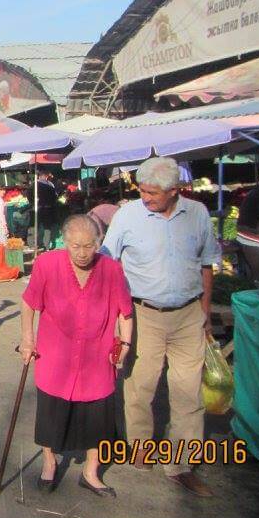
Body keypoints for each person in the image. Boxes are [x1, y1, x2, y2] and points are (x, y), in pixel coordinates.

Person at [102, 156, 219, 497]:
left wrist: (206, 312)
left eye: (152, 192)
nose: (145, 197)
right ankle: (140, 447)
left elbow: (207, 264)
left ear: (174, 191)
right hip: (143, 313)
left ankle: (182, 464)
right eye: (142, 190)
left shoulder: (197, 214)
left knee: (188, 390)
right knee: (141, 384)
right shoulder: (128, 215)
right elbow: (108, 262)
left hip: (189, 313)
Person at [21, 215, 133, 496]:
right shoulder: (47, 264)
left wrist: (125, 344)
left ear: (98, 243)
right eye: (75, 246)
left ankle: (91, 472)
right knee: (51, 413)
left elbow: (125, 312)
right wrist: (27, 339)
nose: (82, 253)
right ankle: (49, 463)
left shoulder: (111, 269)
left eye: (88, 246)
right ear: (65, 242)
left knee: (98, 417)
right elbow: (29, 303)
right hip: (56, 355)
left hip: (96, 357)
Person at [35, 171, 59, 251]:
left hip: (38, 208)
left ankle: (36, 244)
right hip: (48, 208)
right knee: (47, 228)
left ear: (39, 176)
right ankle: (47, 246)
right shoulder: (50, 184)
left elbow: (28, 194)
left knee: (36, 226)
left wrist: (33, 202)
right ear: (46, 176)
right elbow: (55, 196)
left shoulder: (35, 184)